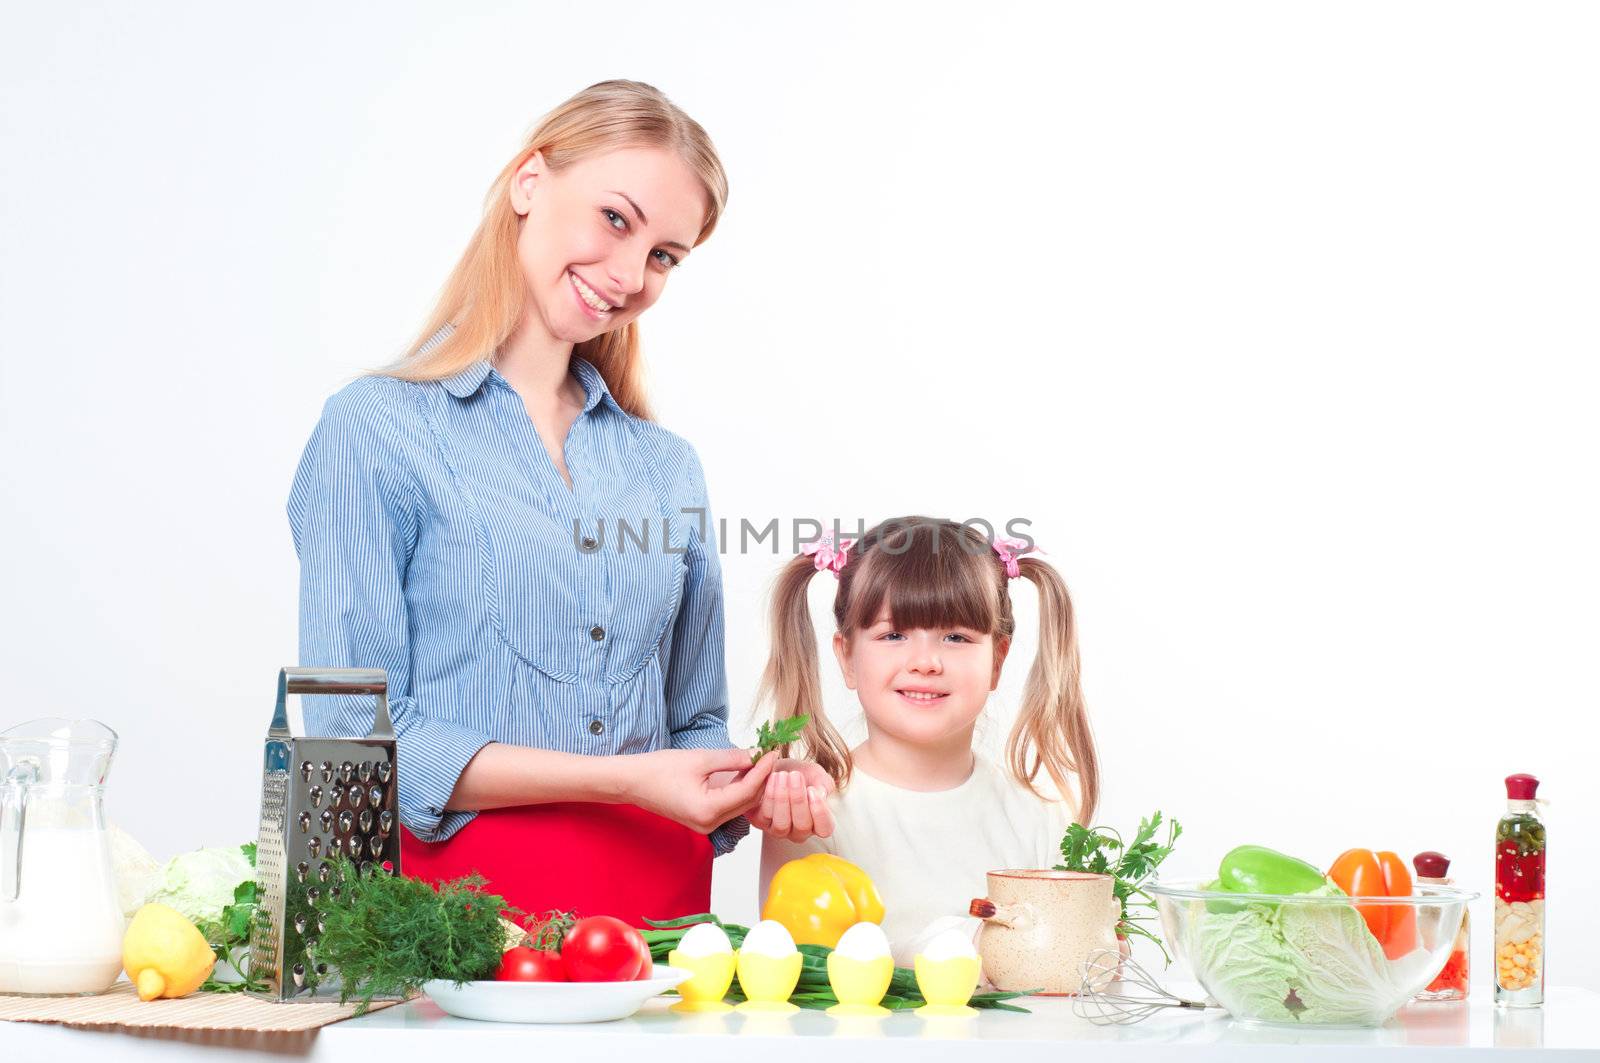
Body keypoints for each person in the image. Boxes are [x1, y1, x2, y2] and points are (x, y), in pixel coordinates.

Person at [287, 80, 829, 926]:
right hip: (454, 918)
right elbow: (351, 735)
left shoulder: (666, 466)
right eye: (617, 219)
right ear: (529, 182)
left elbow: (693, 719)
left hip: (656, 916)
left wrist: (762, 779)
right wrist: (618, 778)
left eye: (664, 256)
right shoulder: (375, 429)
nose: (630, 274)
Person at [756, 517, 1100, 964]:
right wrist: (957, 948)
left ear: (997, 659)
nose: (925, 662)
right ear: (847, 658)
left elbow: (1061, 983)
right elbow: (798, 971)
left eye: (956, 637)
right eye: (893, 635)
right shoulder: (811, 812)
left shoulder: (1042, 818)